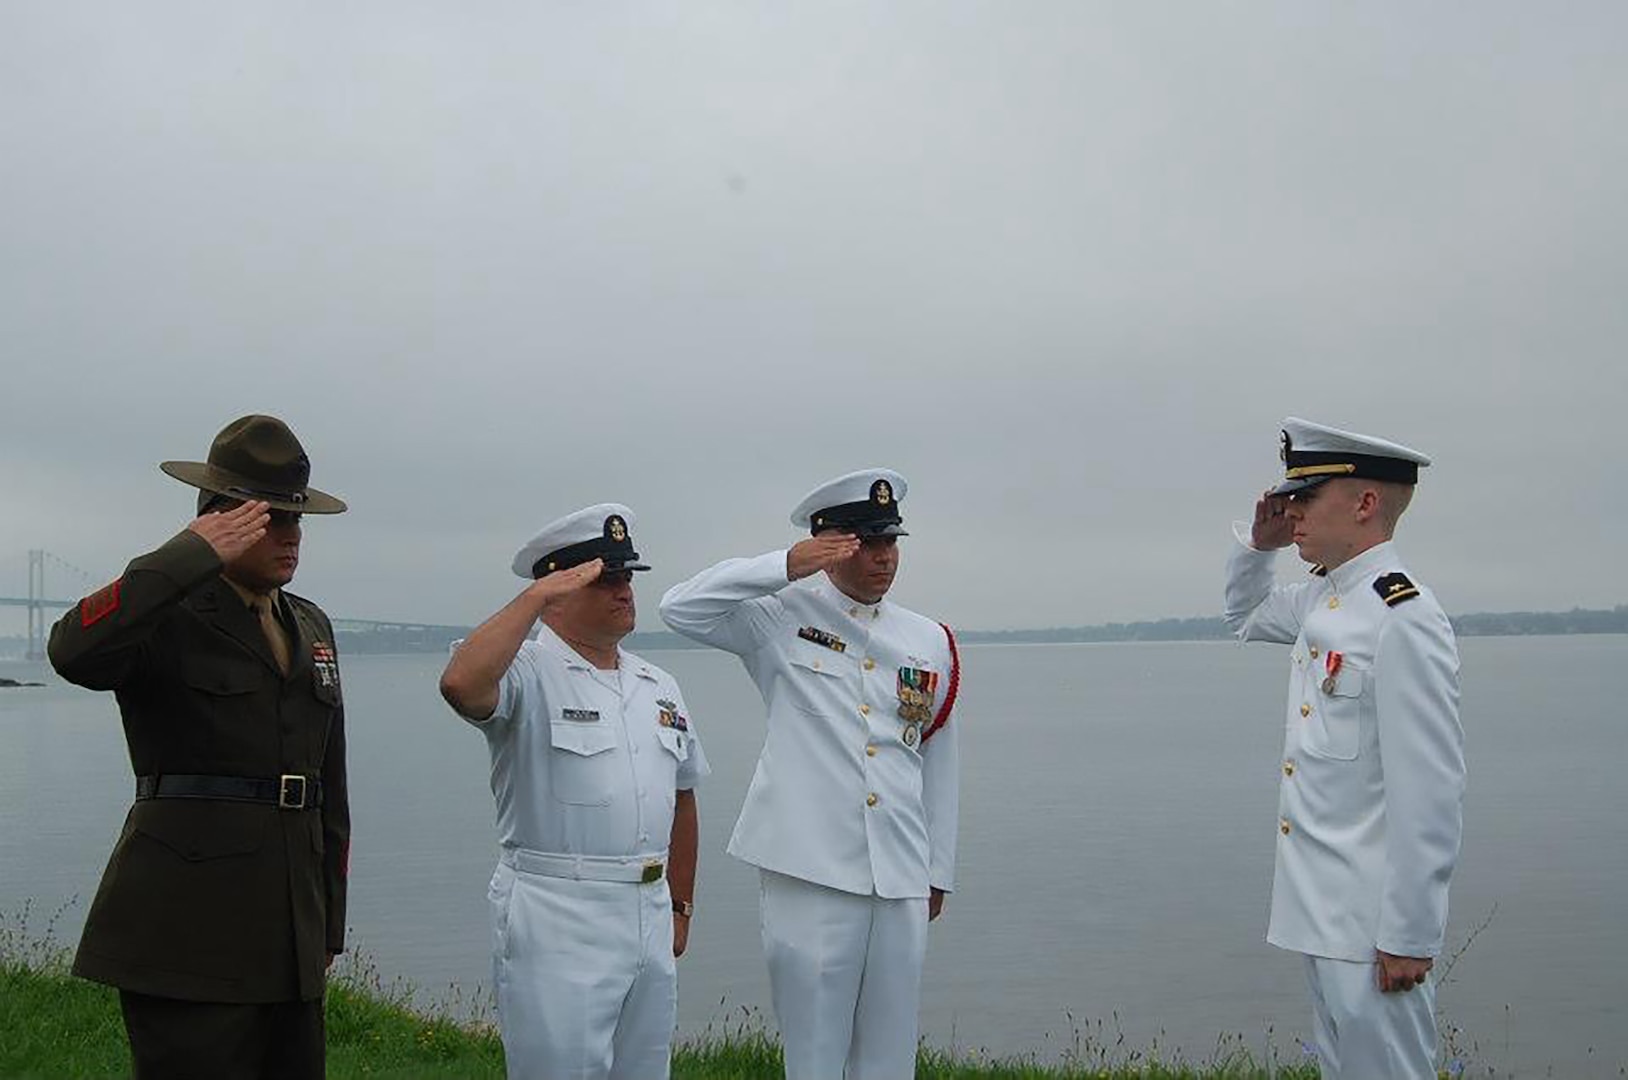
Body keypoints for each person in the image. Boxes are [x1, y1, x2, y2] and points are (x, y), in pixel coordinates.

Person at [47, 414, 350, 1080]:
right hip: (185, 928)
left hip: (287, 930)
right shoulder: (164, 612)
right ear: (220, 521)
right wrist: (186, 553)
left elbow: (327, 782)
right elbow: (72, 650)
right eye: (272, 519)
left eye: (298, 521)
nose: (292, 535)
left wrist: (327, 918)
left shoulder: (310, 624)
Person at [660, 468, 961, 1080]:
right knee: (816, 1050)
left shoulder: (928, 639)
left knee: (890, 1050)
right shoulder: (778, 614)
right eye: (868, 544)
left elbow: (935, 754)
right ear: (832, 546)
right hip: (810, 868)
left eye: (891, 543)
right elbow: (680, 608)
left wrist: (936, 869)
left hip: (899, 868)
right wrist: (786, 564)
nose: (884, 558)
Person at [1223, 417, 1466, 1079]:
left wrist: (1410, 934)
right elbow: (1244, 617)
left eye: (1306, 497)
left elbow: (1430, 790)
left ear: (1364, 504)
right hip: (1323, 911)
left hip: (1371, 923)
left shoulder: (1401, 617)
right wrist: (1258, 545)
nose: (1292, 510)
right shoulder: (1327, 600)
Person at [439, 504, 708, 1080]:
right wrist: (534, 598)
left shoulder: (658, 685)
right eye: (604, 579)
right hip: (557, 909)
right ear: (559, 591)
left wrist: (681, 906)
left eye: (627, 576)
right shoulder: (527, 671)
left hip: (647, 908)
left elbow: (682, 796)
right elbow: (462, 685)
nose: (624, 590)